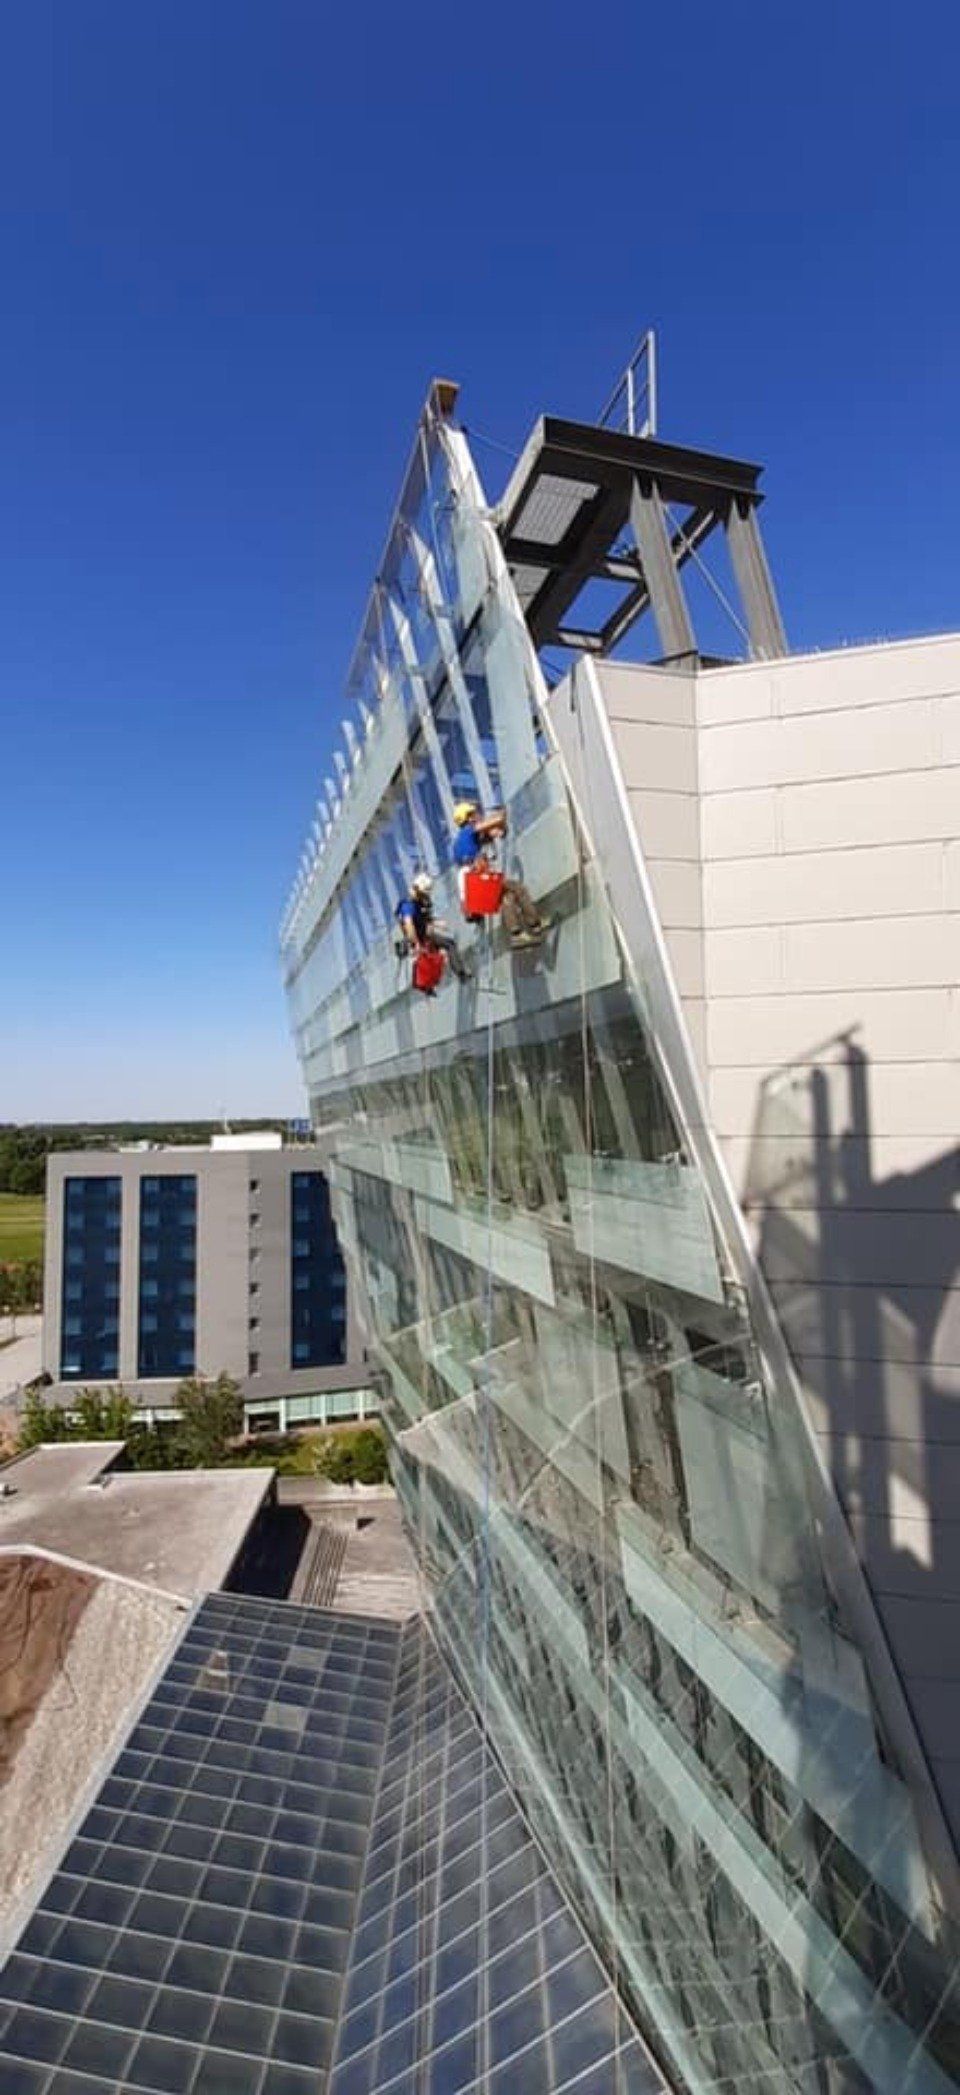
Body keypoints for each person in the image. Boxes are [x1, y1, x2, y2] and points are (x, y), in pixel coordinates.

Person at [452, 801, 551, 947]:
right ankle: (535, 924)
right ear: (468, 817)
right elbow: (496, 822)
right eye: (474, 814)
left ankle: (516, 934)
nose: (478, 816)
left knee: (505, 897)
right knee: (518, 888)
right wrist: (502, 813)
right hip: (475, 875)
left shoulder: (463, 839)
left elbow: (497, 832)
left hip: (469, 880)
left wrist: (500, 828)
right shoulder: (468, 830)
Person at [395, 872, 472, 981]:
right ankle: (459, 974)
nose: (426, 897)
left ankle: (459, 973)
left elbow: (423, 918)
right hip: (419, 938)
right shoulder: (408, 905)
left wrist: (437, 923)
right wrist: (416, 944)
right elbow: (409, 925)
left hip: (424, 934)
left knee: (446, 947)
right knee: (445, 948)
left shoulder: (419, 903)